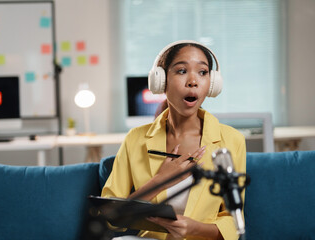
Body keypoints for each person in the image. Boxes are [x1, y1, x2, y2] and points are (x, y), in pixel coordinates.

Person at [101, 40, 246, 240]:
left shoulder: (231, 140)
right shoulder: (136, 139)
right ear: (160, 81)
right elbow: (110, 217)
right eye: (181, 71)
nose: (193, 81)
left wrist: (195, 229)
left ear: (212, 84)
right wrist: (159, 181)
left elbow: (234, 219)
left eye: (202, 72)